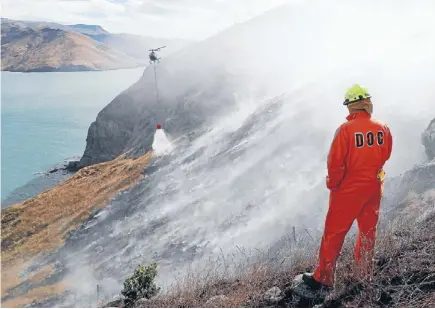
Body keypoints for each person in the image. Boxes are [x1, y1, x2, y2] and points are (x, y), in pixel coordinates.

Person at [302, 84, 393, 291]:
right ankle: (363, 276)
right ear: (367, 103)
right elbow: (386, 154)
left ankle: (323, 278)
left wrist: (333, 185)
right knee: (368, 232)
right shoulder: (383, 128)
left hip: (348, 190)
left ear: (351, 107)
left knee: (334, 233)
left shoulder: (345, 130)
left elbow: (335, 162)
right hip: (374, 187)